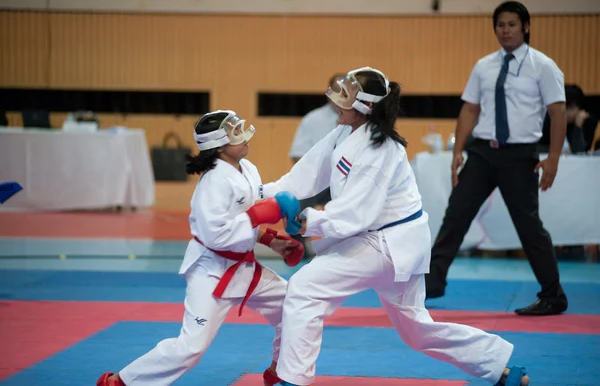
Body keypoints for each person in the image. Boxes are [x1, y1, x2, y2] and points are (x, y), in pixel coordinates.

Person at [261, 67, 529, 386]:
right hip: (386, 242)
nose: (338, 105)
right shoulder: (342, 133)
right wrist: (258, 195)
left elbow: (357, 215)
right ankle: (500, 367)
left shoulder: (381, 148)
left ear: (366, 106)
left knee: (305, 287)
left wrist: (309, 221)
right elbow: (302, 177)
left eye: (346, 99)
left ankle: (294, 378)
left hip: (387, 244)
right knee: (416, 330)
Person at [96, 110, 305, 386]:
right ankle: (119, 382)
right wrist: (258, 216)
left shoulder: (248, 169)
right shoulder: (213, 183)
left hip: (243, 267)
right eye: (235, 133)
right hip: (212, 271)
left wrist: (269, 239)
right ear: (219, 146)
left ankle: (283, 369)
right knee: (190, 348)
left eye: (240, 128)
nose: (243, 136)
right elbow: (216, 235)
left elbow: (246, 211)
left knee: (295, 306)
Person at [425, 1, 569, 316]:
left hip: (520, 156)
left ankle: (553, 295)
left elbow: (557, 113)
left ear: (526, 27)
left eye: (512, 24)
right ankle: (433, 282)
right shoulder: (484, 66)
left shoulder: (543, 66)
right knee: (456, 214)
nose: (505, 30)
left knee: (528, 226)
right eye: (500, 25)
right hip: (481, 152)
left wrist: (554, 157)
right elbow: (470, 109)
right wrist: (457, 152)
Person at [288, 73, 345, 258]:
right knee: (292, 205)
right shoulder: (313, 119)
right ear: (329, 93)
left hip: (347, 180)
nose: (341, 95)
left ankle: (349, 247)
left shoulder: (360, 119)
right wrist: (312, 176)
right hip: (316, 179)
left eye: (346, 91)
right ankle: (298, 250)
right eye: (337, 91)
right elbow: (297, 153)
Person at [540, 84, 598, 153]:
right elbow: (538, 147)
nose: (565, 112)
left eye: (571, 108)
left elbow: (580, 151)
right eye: (563, 107)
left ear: (580, 108)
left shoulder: (589, 121)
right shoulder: (550, 118)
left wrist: (578, 127)